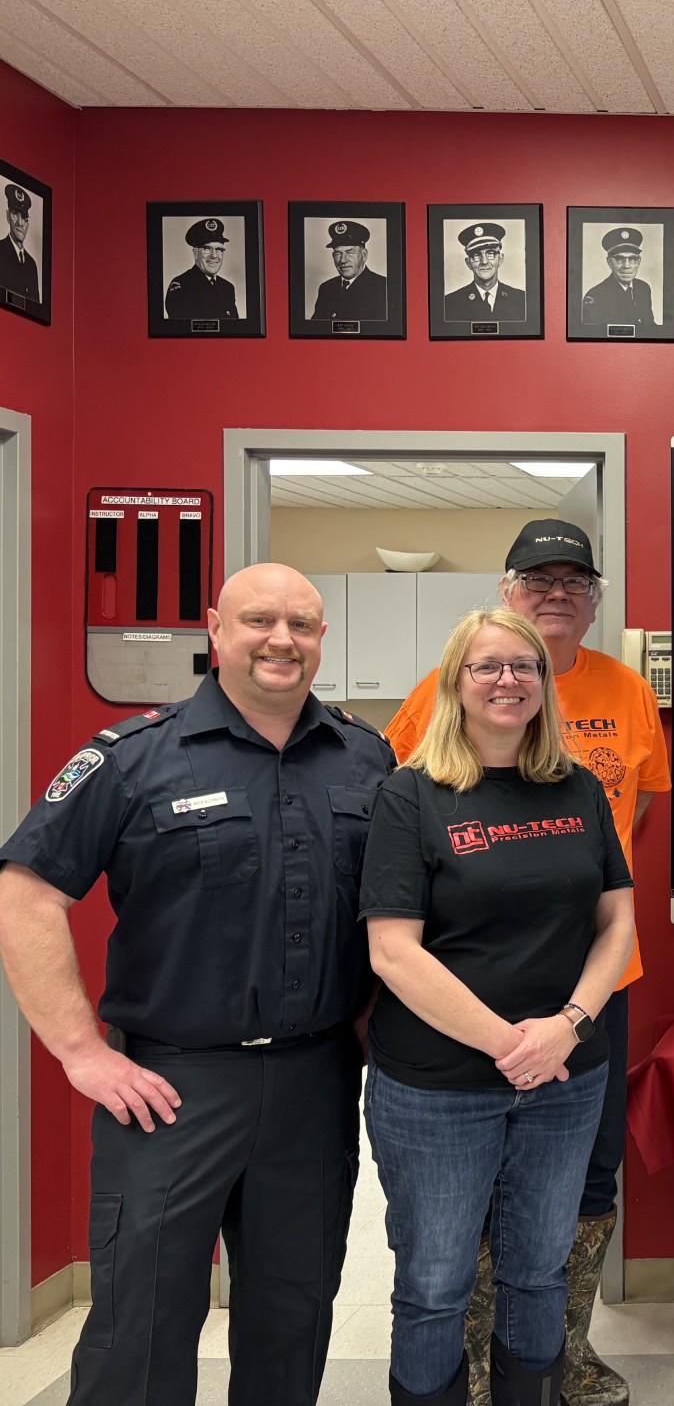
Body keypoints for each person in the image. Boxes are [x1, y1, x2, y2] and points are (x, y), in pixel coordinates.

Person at [0, 565, 393, 1405]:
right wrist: (78, 1052)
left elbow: (394, 911)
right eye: (259, 620)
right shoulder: (133, 757)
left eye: (302, 624)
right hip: (169, 1089)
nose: (281, 639)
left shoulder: (367, 756)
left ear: (322, 639)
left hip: (315, 1081)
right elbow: (28, 891)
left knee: (293, 1319)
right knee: (139, 1325)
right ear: (214, 628)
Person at [383, 517, 670, 1406]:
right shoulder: (426, 726)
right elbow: (398, 891)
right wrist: (509, 1038)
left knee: (579, 1191)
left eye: (574, 582)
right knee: (449, 1226)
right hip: (454, 1024)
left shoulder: (625, 699)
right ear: (505, 594)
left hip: (587, 1000)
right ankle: (466, 1364)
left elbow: (631, 835)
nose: (556, 594)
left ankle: (562, 1360)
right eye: (536, 580)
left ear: (594, 602)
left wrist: (567, 1020)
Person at [445, 222, 528, 322]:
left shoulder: (522, 300)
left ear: (500, 259)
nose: (484, 262)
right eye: (476, 255)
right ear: (468, 263)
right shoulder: (449, 304)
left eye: (491, 253)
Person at [310, 218, 389, 322]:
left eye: (350, 252)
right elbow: (315, 331)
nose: (343, 260)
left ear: (364, 255)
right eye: (338, 253)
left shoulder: (384, 287)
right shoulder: (326, 289)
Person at [166, 216, 239, 319]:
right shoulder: (181, 285)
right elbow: (182, 330)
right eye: (207, 249)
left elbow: (235, 329)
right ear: (196, 253)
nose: (214, 256)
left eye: (219, 250)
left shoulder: (227, 288)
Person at [581, 227, 654, 328]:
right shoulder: (595, 296)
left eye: (633, 259)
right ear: (609, 262)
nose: (627, 266)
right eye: (619, 259)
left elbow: (651, 327)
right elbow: (592, 337)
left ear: (639, 262)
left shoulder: (644, 288)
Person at [1, 182, 38, 302]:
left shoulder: (32, 265)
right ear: (7, 216)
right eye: (15, 215)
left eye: (24, 217)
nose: (20, 223)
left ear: (28, 223)